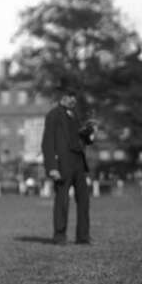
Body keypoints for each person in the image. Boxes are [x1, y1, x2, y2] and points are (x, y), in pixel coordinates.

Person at [41, 87, 96, 245]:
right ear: (62, 98)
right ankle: (59, 236)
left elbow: (81, 139)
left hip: (78, 162)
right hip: (62, 164)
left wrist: (90, 135)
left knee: (84, 201)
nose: (73, 99)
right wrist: (51, 167)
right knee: (62, 201)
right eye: (69, 96)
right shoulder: (53, 115)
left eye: (74, 96)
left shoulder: (76, 116)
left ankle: (83, 237)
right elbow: (47, 143)